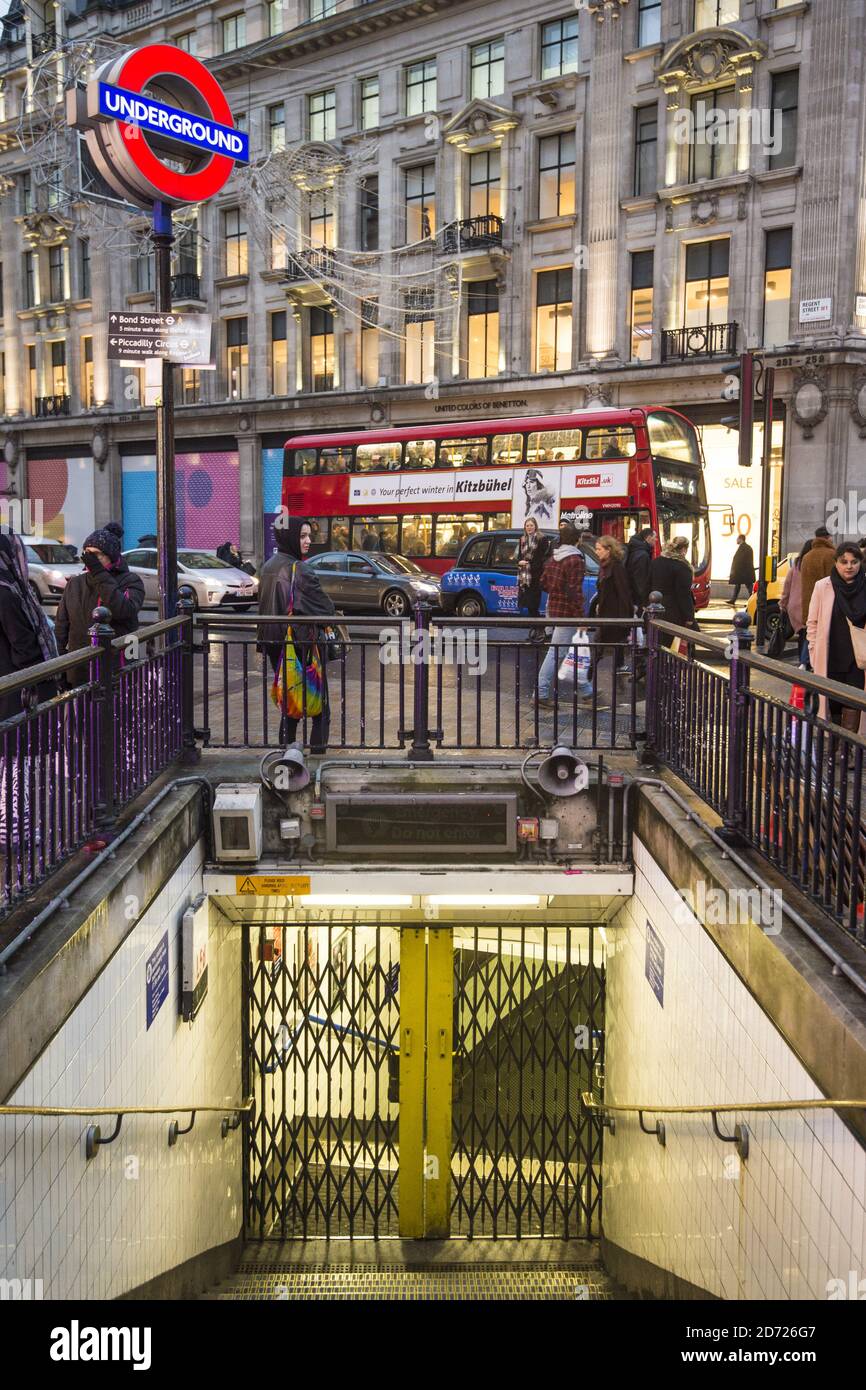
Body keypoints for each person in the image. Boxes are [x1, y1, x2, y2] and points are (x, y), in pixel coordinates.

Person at [0, 531, 59, 852]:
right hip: (13, 693)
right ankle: (12, 833)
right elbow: (24, 648)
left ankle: (12, 828)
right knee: (14, 766)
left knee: (7, 767)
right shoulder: (8, 593)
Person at [258, 515, 336, 752]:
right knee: (319, 704)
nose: (308, 541)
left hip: (273, 643)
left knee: (290, 701)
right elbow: (325, 608)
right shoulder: (300, 569)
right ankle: (317, 755)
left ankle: (287, 752)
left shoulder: (267, 566)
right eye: (302, 536)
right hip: (300, 643)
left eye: (309, 536)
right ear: (291, 537)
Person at [55, 523, 145, 686]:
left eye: (97, 555)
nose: (91, 560)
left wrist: (99, 573)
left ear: (111, 557)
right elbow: (61, 627)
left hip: (118, 667)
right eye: (87, 554)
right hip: (79, 669)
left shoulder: (130, 581)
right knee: (82, 710)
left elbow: (124, 610)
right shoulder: (75, 583)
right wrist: (60, 670)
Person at [806, 542, 866, 734]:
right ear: (836, 563)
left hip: (859, 657)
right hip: (830, 654)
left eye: (854, 562)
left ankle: (847, 748)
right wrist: (814, 651)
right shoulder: (823, 586)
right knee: (833, 701)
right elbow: (812, 623)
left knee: (854, 700)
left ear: (860, 563)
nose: (849, 566)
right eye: (844, 561)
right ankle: (835, 742)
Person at [0, 530, 58, 723]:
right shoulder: (7, 593)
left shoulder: (12, 589)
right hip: (17, 692)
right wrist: (47, 672)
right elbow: (23, 646)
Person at [537, 522, 592, 705]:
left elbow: (543, 582)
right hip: (567, 613)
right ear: (577, 540)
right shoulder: (575, 560)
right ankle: (541, 693)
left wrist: (556, 589)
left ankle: (587, 690)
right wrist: (581, 617)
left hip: (554, 608)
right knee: (556, 653)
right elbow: (575, 592)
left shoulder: (555, 558)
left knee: (569, 650)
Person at [594, 536, 633, 662]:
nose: (596, 552)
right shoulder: (603, 566)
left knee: (614, 648)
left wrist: (624, 620)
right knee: (599, 647)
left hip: (615, 615)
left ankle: (617, 673)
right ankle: (589, 674)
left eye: (599, 549)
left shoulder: (616, 567)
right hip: (605, 614)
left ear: (608, 550)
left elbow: (624, 594)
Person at [649, 537, 696, 634]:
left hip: (654, 609)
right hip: (674, 612)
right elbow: (683, 594)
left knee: (657, 641)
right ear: (683, 550)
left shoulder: (656, 562)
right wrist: (689, 617)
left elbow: (647, 584)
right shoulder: (682, 567)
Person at [517, 518, 550, 638]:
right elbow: (519, 557)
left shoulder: (542, 539)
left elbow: (544, 558)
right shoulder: (522, 539)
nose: (529, 527)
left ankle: (538, 630)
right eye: (527, 525)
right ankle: (535, 631)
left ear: (535, 526)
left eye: (531, 525)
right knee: (529, 606)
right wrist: (519, 562)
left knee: (533, 605)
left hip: (535, 577)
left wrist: (530, 565)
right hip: (524, 577)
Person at [780, 540, 811, 665]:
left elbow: (787, 586)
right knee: (807, 635)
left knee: (802, 634)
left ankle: (802, 660)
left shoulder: (796, 565)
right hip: (805, 605)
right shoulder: (810, 565)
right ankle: (804, 661)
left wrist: (783, 603)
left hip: (794, 606)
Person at [800, 525, 836, 623]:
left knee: (812, 635)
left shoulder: (807, 556)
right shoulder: (831, 554)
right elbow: (834, 583)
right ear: (828, 538)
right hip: (826, 608)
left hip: (810, 607)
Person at [624, 527, 656, 612]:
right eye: (654, 537)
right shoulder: (642, 555)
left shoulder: (635, 550)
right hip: (639, 600)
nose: (656, 540)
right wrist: (645, 602)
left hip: (633, 596)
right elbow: (641, 580)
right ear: (648, 538)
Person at [729, 534, 755, 605]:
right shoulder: (746, 547)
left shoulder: (744, 548)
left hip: (743, 572)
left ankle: (752, 600)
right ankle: (733, 600)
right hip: (744, 572)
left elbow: (740, 560)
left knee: (749, 586)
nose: (736, 540)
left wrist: (735, 570)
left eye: (737, 539)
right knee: (739, 585)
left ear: (741, 539)